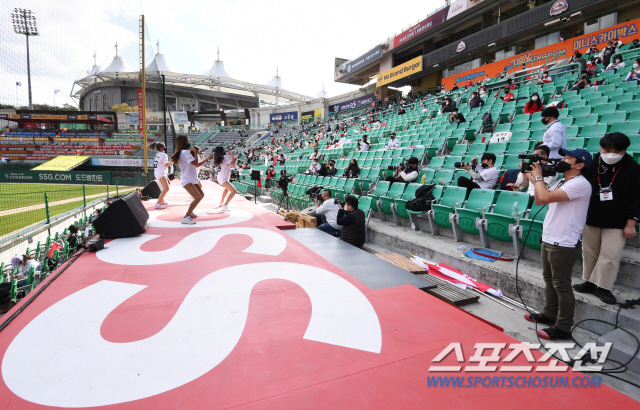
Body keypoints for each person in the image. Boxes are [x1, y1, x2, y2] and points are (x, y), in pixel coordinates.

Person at [524, 148, 593, 340]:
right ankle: (549, 313)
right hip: (550, 237)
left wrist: (538, 178)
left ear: (580, 165)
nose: (563, 159)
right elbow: (540, 200)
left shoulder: (580, 184)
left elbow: (545, 196)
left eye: (568, 158)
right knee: (549, 280)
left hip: (564, 242)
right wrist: (533, 176)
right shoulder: (563, 181)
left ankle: (563, 327)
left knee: (562, 285)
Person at [574, 133, 640, 304]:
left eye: (616, 151)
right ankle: (589, 282)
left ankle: (603, 287)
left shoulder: (633, 169)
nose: (611, 154)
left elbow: (636, 197)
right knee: (589, 252)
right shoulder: (592, 165)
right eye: (606, 149)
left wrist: (631, 223)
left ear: (624, 150)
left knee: (610, 255)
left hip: (617, 221)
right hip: (591, 217)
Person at [170, 135, 212, 224]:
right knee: (198, 197)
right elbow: (196, 164)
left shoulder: (183, 152)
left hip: (191, 178)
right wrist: (196, 153)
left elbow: (195, 164)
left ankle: (190, 211)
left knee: (201, 195)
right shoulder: (185, 152)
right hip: (187, 179)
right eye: (187, 140)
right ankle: (186, 217)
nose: (189, 142)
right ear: (184, 142)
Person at [213, 146, 237, 212]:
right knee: (233, 191)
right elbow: (233, 164)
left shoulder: (220, 158)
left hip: (222, 177)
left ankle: (221, 202)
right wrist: (231, 155)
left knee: (226, 189)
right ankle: (225, 205)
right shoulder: (224, 157)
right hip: (223, 178)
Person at [149, 141, 170, 209]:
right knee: (166, 188)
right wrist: (172, 160)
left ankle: (162, 200)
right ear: (161, 148)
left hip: (157, 172)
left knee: (166, 186)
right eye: (164, 146)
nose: (165, 147)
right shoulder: (164, 155)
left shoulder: (158, 154)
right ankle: (158, 203)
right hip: (161, 173)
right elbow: (166, 164)